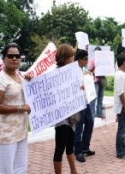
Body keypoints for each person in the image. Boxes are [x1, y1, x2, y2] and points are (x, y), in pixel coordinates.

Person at [0, 43, 32, 174]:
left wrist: (30, 80)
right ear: (4, 58)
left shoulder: (20, 76)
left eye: (17, 56)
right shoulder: (0, 79)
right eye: (10, 56)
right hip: (6, 133)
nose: (14, 58)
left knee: (20, 169)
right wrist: (20, 107)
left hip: (21, 130)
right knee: (5, 171)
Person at [53, 44, 78, 174]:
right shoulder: (55, 74)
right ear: (66, 57)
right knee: (60, 149)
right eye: (72, 55)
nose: (73, 58)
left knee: (70, 146)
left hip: (71, 117)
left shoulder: (72, 72)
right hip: (62, 118)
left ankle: (74, 171)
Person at [74, 49, 95, 162]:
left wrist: (87, 75)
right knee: (79, 127)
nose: (87, 61)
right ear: (80, 59)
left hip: (86, 101)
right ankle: (77, 151)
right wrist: (81, 86)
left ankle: (85, 147)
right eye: (86, 59)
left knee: (90, 122)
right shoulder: (74, 71)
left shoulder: (82, 70)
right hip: (79, 103)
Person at [89, 46, 106, 118]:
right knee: (94, 97)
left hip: (102, 80)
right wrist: (95, 66)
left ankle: (99, 113)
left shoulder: (104, 60)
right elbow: (89, 71)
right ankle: (92, 114)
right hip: (95, 80)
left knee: (101, 97)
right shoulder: (92, 60)